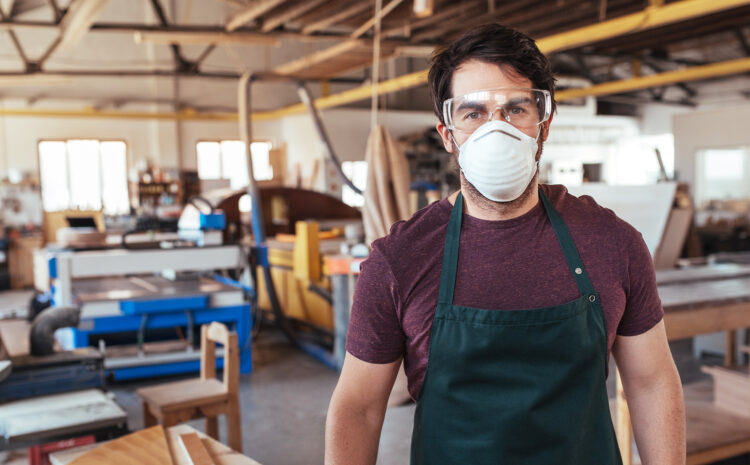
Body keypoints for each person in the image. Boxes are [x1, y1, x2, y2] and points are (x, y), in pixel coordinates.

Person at [325, 23, 685, 465]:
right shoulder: (399, 260)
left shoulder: (613, 243)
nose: (496, 130)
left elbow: (652, 382)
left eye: (516, 109)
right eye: (473, 113)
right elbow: (358, 408)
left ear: (543, 124)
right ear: (447, 134)